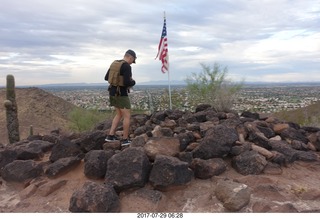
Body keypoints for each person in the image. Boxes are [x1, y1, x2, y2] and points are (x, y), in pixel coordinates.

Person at [104, 49, 137, 146]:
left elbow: (106, 78)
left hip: (112, 91)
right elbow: (127, 82)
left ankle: (110, 136)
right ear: (130, 57)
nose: (132, 63)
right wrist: (133, 82)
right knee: (127, 116)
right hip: (121, 93)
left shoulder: (114, 64)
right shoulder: (126, 66)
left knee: (119, 114)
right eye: (132, 60)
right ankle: (125, 139)